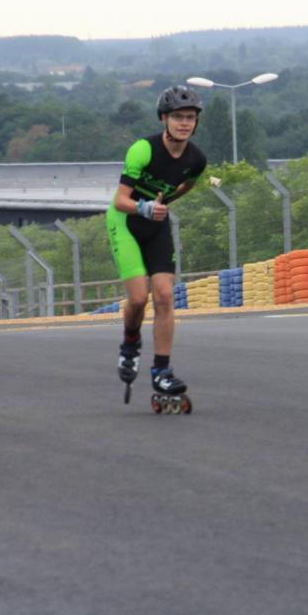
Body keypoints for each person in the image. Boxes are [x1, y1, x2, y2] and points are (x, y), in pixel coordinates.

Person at [106, 85, 207, 404]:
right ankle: (130, 341)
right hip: (126, 222)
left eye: (190, 118)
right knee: (138, 299)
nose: (184, 123)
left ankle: (161, 371)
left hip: (156, 225)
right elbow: (120, 200)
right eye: (178, 117)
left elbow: (187, 185)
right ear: (164, 119)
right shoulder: (143, 150)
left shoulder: (197, 160)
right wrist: (144, 207)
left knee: (164, 295)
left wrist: (164, 205)